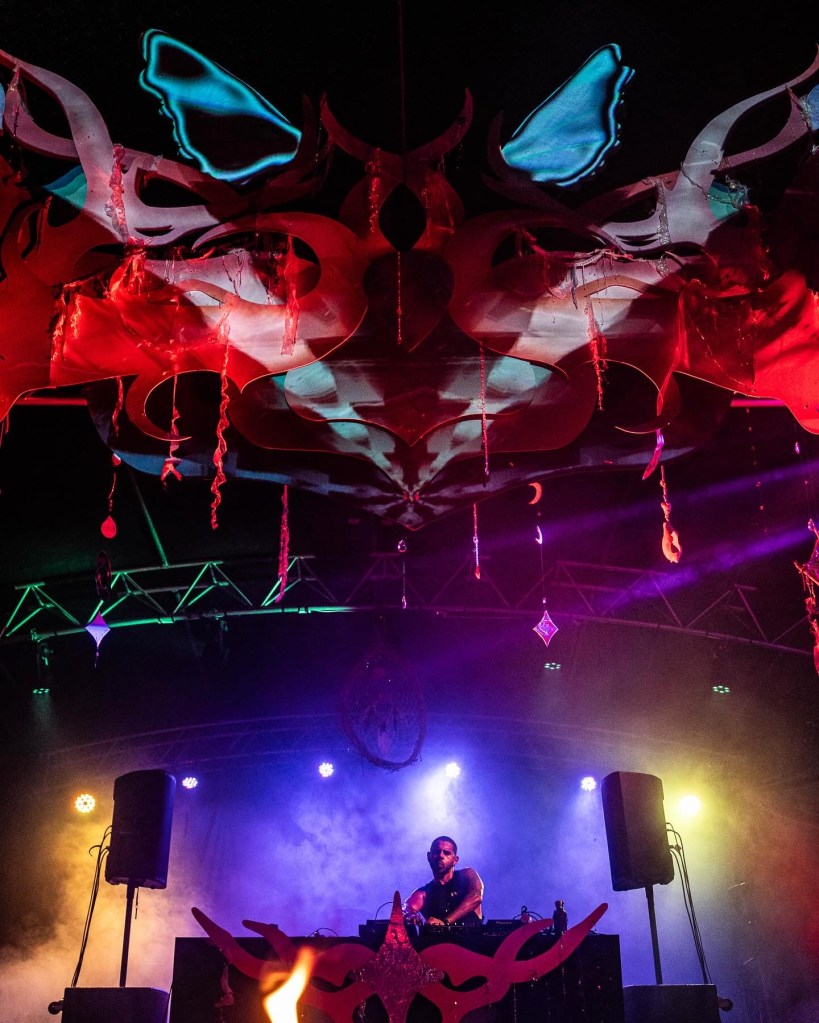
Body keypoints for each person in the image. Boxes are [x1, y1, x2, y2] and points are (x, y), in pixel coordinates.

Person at [403, 835, 484, 926]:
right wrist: (409, 914)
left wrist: (445, 922)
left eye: (446, 853)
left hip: (472, 935)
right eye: (437, 852)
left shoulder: (466, 875)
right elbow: (407, 908)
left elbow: (476, 897)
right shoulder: (422, 894)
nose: (441, 855)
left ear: (455, 860)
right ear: (429, 857)